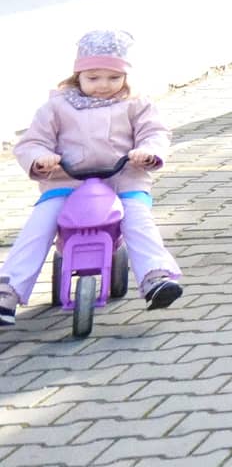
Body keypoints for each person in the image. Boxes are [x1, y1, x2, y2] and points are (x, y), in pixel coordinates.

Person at [2, 30, 182, 323]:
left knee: (137, 218)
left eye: (114, 78)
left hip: (123, 178)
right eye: (93, 77)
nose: (103, 86)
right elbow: (33, 141)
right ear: (78, 75)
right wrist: (40, 158)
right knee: (40, 224)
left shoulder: (137, 104)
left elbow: (155, 132)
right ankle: (9, 288)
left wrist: (147, 151)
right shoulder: (57, 106)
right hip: (67, 182)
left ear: (126, 76)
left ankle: (154, 276)